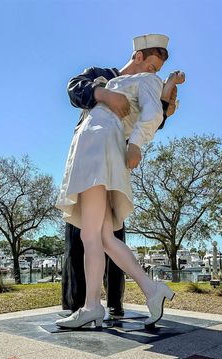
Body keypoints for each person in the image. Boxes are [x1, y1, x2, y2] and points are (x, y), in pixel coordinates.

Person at [55, 34, 185, 329]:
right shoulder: (108, 79)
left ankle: (91, 306)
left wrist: (139, 140)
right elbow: (76, 89)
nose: (154, 71)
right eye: (151, 64)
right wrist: (104, 93)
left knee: (92, 237)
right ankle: (151, 291)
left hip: (98, 146)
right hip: (97, 147)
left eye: (158, 68)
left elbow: (152, 116)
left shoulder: (146, 81)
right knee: (102, 237)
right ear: (137, 55)